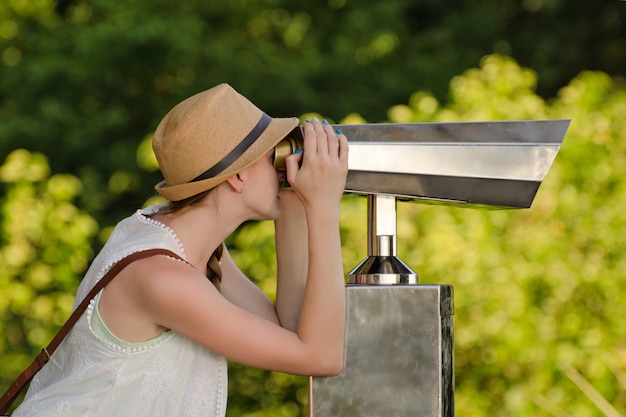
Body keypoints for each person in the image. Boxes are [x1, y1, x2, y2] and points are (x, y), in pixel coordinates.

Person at [12, 83, 349, 416]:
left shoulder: (179, 240)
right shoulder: (163, 277)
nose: (282, 165)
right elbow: (322, 358)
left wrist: (293, 206)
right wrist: (323, 208)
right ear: (237, 176)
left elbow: (289, 332)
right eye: (271, 155)